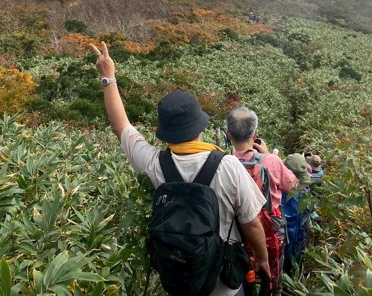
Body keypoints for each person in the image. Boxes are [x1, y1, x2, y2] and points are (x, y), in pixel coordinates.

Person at [90, 42, 270, 295]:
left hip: (177, 273)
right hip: (221, 279)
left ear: (164, 132)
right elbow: (251, 223)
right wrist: (262, 260)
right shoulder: (228, 165)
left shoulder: (154, 163)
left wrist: (108, 78)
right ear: (200, 127)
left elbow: (122, 126)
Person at [226, 107, 298, 290]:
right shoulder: (270, 161)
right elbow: (292, 185)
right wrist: (272, 156)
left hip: (235, 229)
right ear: (255, 133)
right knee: (272, 273)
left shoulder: (222, 162)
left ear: (228, 134)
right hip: (270, 228)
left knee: (240, 271)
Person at [281, 153, 313, 273]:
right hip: (295, 235)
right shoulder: (303, 193)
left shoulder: (275, 187)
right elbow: (308, 211)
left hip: (280, 234)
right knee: (291, 265)